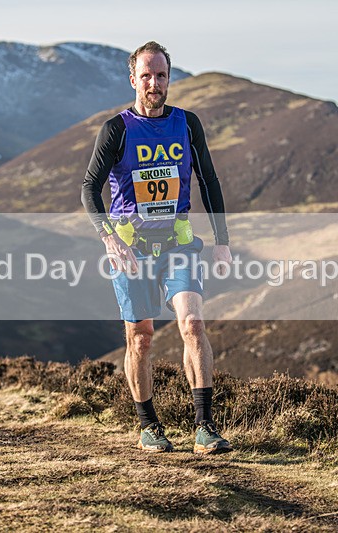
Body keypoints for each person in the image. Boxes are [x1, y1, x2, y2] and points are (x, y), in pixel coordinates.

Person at [81, 41, 233, 454]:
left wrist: (222, 242)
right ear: (133, 79)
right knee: (141, 338)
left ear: (169, 78)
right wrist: (109, 238)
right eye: (146, 76)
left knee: (193, 324)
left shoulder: (187, 124)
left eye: (161, 75)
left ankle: (205, 426)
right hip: (132, 250)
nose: (154, 83)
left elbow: (209, 181)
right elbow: (89, 188)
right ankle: (149, 426)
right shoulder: (116, 129)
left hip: (178, 244)